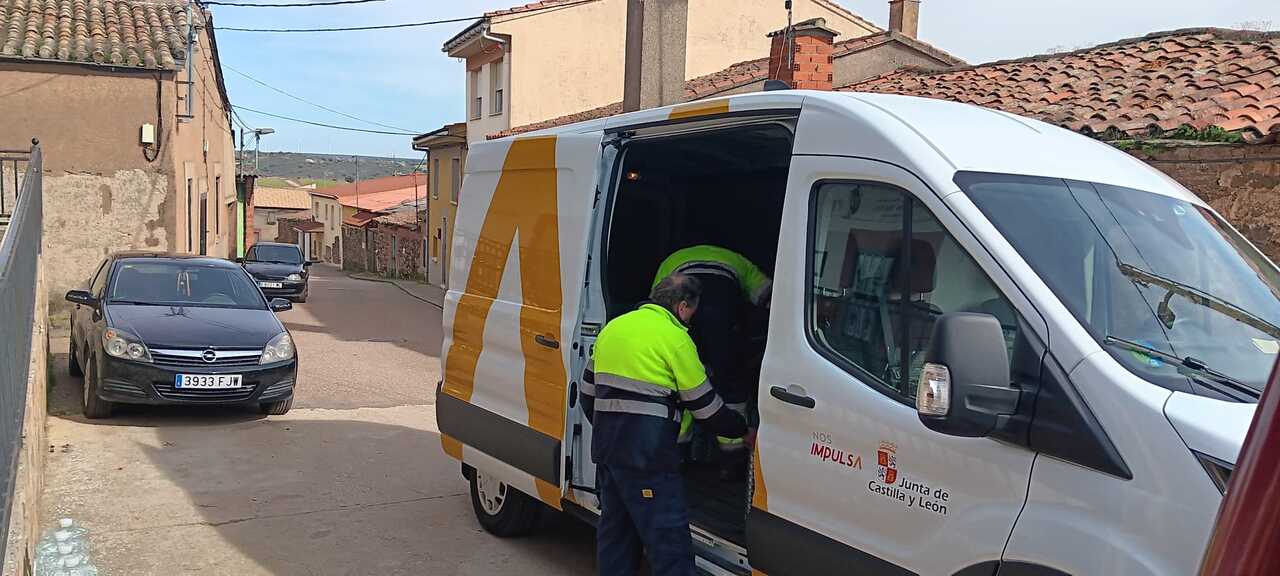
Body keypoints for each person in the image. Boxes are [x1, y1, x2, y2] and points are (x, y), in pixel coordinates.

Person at [581, 273, 748, 576]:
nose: (692, 318)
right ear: (682, 307)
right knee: (668, 543)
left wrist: (613, 430)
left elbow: (587, 394)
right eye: (692, 311)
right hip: (649, 460)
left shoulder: (614, 327)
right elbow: (706, 409)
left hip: (608, 452)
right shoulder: (676, 340)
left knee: (615, 536)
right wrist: (742, 430)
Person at [652, 245, 771, 479]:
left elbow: (659, 306)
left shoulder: (672, 260)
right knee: (730, 386)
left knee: (682, 387)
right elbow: (768, 296)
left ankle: (678, 455)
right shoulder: (738, 260)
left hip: (687, 328)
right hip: (725, 319)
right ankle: (731, 462)